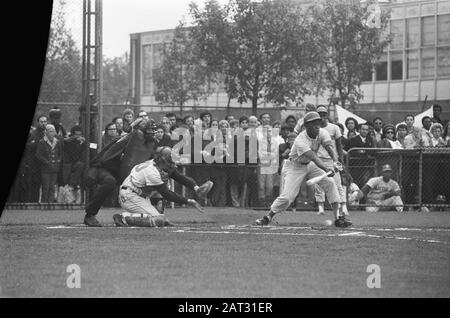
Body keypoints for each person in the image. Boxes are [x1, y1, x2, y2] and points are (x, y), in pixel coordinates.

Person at [255, 112, 351, 228]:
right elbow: (314, 158)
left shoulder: (322, 133)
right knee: (287, 197)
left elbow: (330, 148)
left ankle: (338, 218)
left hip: (310, 164)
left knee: (330, 183)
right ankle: (268, 217)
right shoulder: (301, 140)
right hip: (295, 166)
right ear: (306, 126)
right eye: (313, 124)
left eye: (318, 123)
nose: (317, 126)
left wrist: (335, 162)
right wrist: (327, 168)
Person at [113, 147, 213, 227]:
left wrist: (196, 188)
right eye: (170, 161)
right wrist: (188, 201)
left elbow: (180, 177)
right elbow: (167, 194)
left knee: (160, 219)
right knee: (159, 219)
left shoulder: (158, 165)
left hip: (137, 194)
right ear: (162, 160)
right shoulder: (152, 172)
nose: (173, 164)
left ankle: (157, 216)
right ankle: (123, 217)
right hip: (130, 196)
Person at [83, 118, 157, 226]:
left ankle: (127, 217)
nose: (151, 133)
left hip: (122, 174)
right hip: (105, 168)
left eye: (152, 130)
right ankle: (90, 215)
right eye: (148, 130)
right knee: (110, 182)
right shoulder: (127, 139)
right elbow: (105, 158)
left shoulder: (148, 144)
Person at [313, 105, 349, 218]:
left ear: (327, 115)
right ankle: (320, 207)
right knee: (319, 184)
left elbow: (339, 145)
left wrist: (340, 160)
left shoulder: (334, 128)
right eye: (320, 114)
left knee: (338, 183)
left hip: (332, 160)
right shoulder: (314, 129)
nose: (322, 116)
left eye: (324, 114)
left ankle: (343, 206)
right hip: (319, 159)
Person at [35, 124, 63, 203]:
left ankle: (50, 203)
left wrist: (58, 160)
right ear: (46, 132)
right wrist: (46, 162)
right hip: (45, 169)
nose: (52, 133)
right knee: (45, 187)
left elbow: (60, 153)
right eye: (50, 131)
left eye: (53, 131)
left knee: (52, 187)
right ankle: (44, 202)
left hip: (55, 168)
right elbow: (38, 155)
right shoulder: (42, 142)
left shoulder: (57, 142)